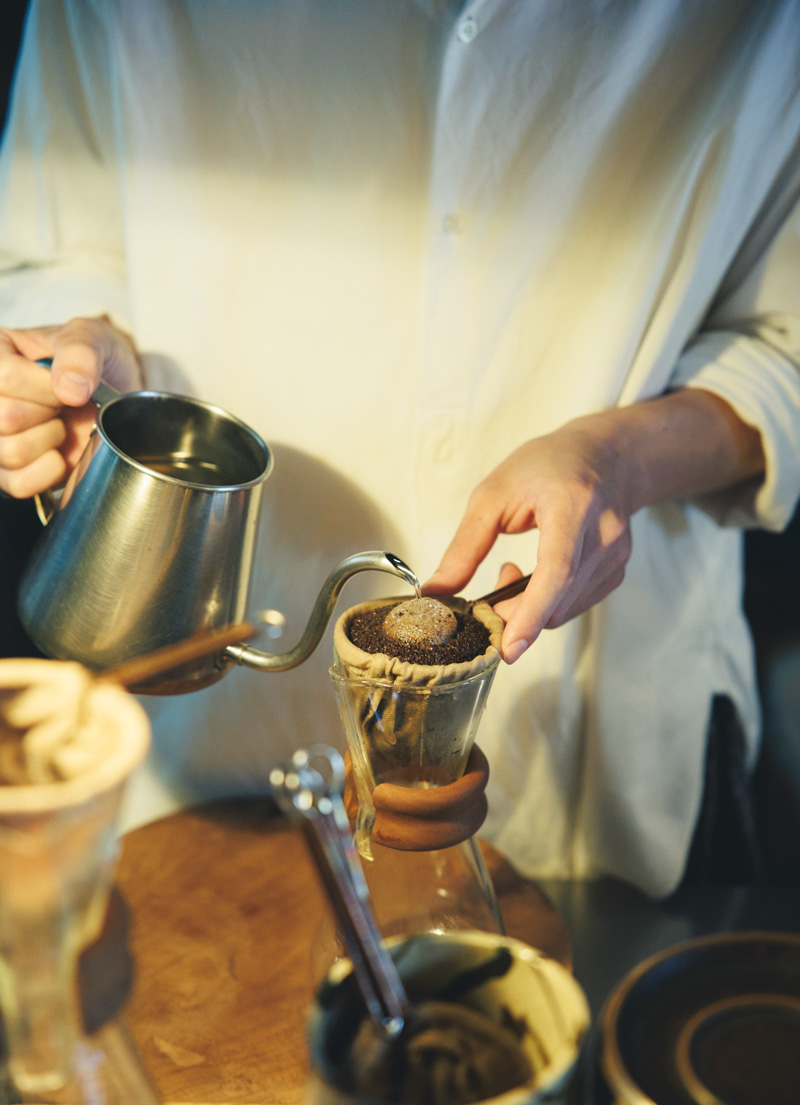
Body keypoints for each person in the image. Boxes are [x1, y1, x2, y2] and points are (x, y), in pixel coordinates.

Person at [0, 1, 799, 897]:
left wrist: (629, 458)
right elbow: (49, 249)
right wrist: (72, 368)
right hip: (207, 728)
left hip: (590, 737)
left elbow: (786, 344)